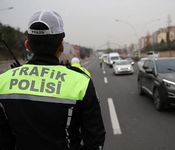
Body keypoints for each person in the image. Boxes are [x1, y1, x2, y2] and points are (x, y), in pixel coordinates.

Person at [0, 10, 105, 150]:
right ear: (61, 45)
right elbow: (95, 140)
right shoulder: (81, 82)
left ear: (27, 45)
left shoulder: (3, 81)